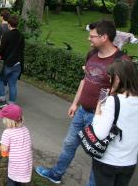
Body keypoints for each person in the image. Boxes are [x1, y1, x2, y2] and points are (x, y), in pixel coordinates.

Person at [35, 20, 131, 185]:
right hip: (82, 112)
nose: (89, 39)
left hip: (101, 118)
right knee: (69, 144)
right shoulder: (91, 54)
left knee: (98, 155)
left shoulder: (121, 61)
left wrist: (102, 110)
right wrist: (75, 103)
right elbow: (84, 80)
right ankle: (56, 174)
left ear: (104, 37)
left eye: (92, 36)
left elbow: (124, 93)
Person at [91, 60, 138, 186]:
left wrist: (98, 111)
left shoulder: (114, 100)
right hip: (129, 162)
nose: (110, 81)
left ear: (117, 78)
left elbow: (100, 134)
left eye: (111, 78)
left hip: (109, 161)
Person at [0, 104, 33, 186]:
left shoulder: (7, 133)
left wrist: (3, 149)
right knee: (20, 182)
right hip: (26, 164)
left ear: (8, 121)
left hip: (16, 165)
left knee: (12, 181)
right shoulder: (25, 129)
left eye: (3, 118)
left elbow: (4, 149)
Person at [0, 15, 25, 108]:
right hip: (17, 64)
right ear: (17, 24)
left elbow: (1, 50)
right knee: (12, 84)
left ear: (9, 24)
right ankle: (12, 104)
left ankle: (2, 101)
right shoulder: (21, 36)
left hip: (7, 64)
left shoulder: (6, 35)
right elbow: (22, 50)